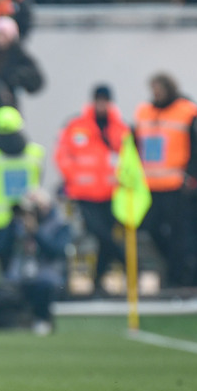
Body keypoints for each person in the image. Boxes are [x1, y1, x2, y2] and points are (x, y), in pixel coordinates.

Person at [133, 72, 197, 287]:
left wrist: (196, 182)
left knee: (180, 235)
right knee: (150, 228)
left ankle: (179, 277)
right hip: (150, 186)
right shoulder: (144, 112)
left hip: (176, 186)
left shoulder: (187, 111)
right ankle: (174, 267)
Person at [54, 84, 128, 294]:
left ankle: (98, 281)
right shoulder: (75, 126)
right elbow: (62, 154)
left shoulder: (120, 129)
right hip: (84, 194)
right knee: (102, 235)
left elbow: (128, 159)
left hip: (111, 193)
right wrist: (74, 178)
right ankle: (131, 264)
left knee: (105, 239)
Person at [0, 105, 44, 272]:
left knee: (3, 259)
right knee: (27, 257)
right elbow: (39, 178)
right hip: (27, 213)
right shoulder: (35, 152)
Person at [4, 188, 71, 336]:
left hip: (49, 273)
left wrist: (36, 232)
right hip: (21, 273)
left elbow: (56, 251)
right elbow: (3, 248)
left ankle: (42, 320)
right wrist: (13, 225)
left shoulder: (59, 225)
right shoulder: (18, 226)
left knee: (44, 284)